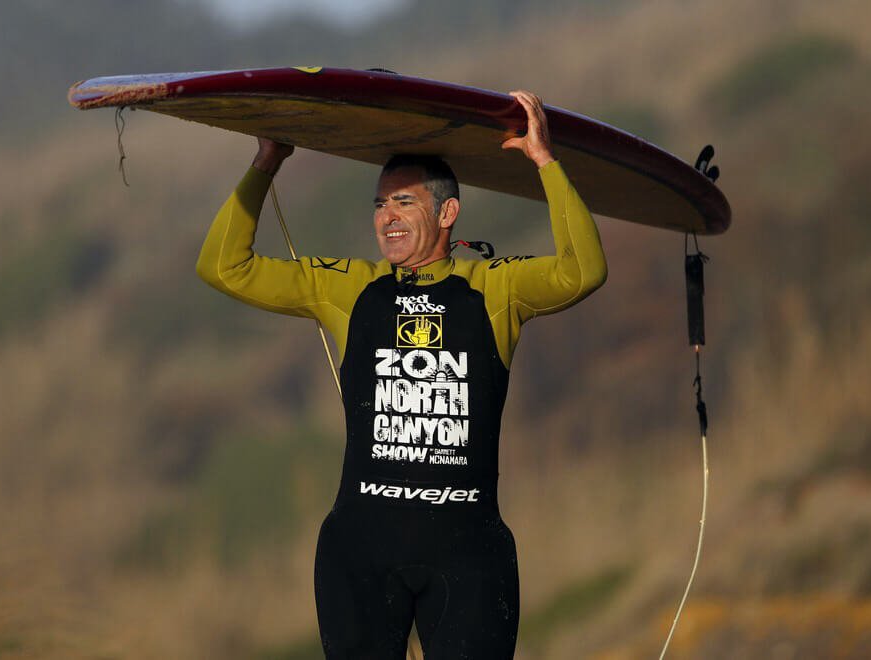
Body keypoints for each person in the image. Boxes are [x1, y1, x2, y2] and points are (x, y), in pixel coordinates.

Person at [196, 91, 606, 659]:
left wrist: (545, 162)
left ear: (447, 213)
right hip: (361, 552)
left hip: (467, 554)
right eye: (380, 204)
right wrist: (266, 162)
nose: (386, 217)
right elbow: (223, 266)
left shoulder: (495, 288)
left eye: (404, 202)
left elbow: (583, 271)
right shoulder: (349, 287)